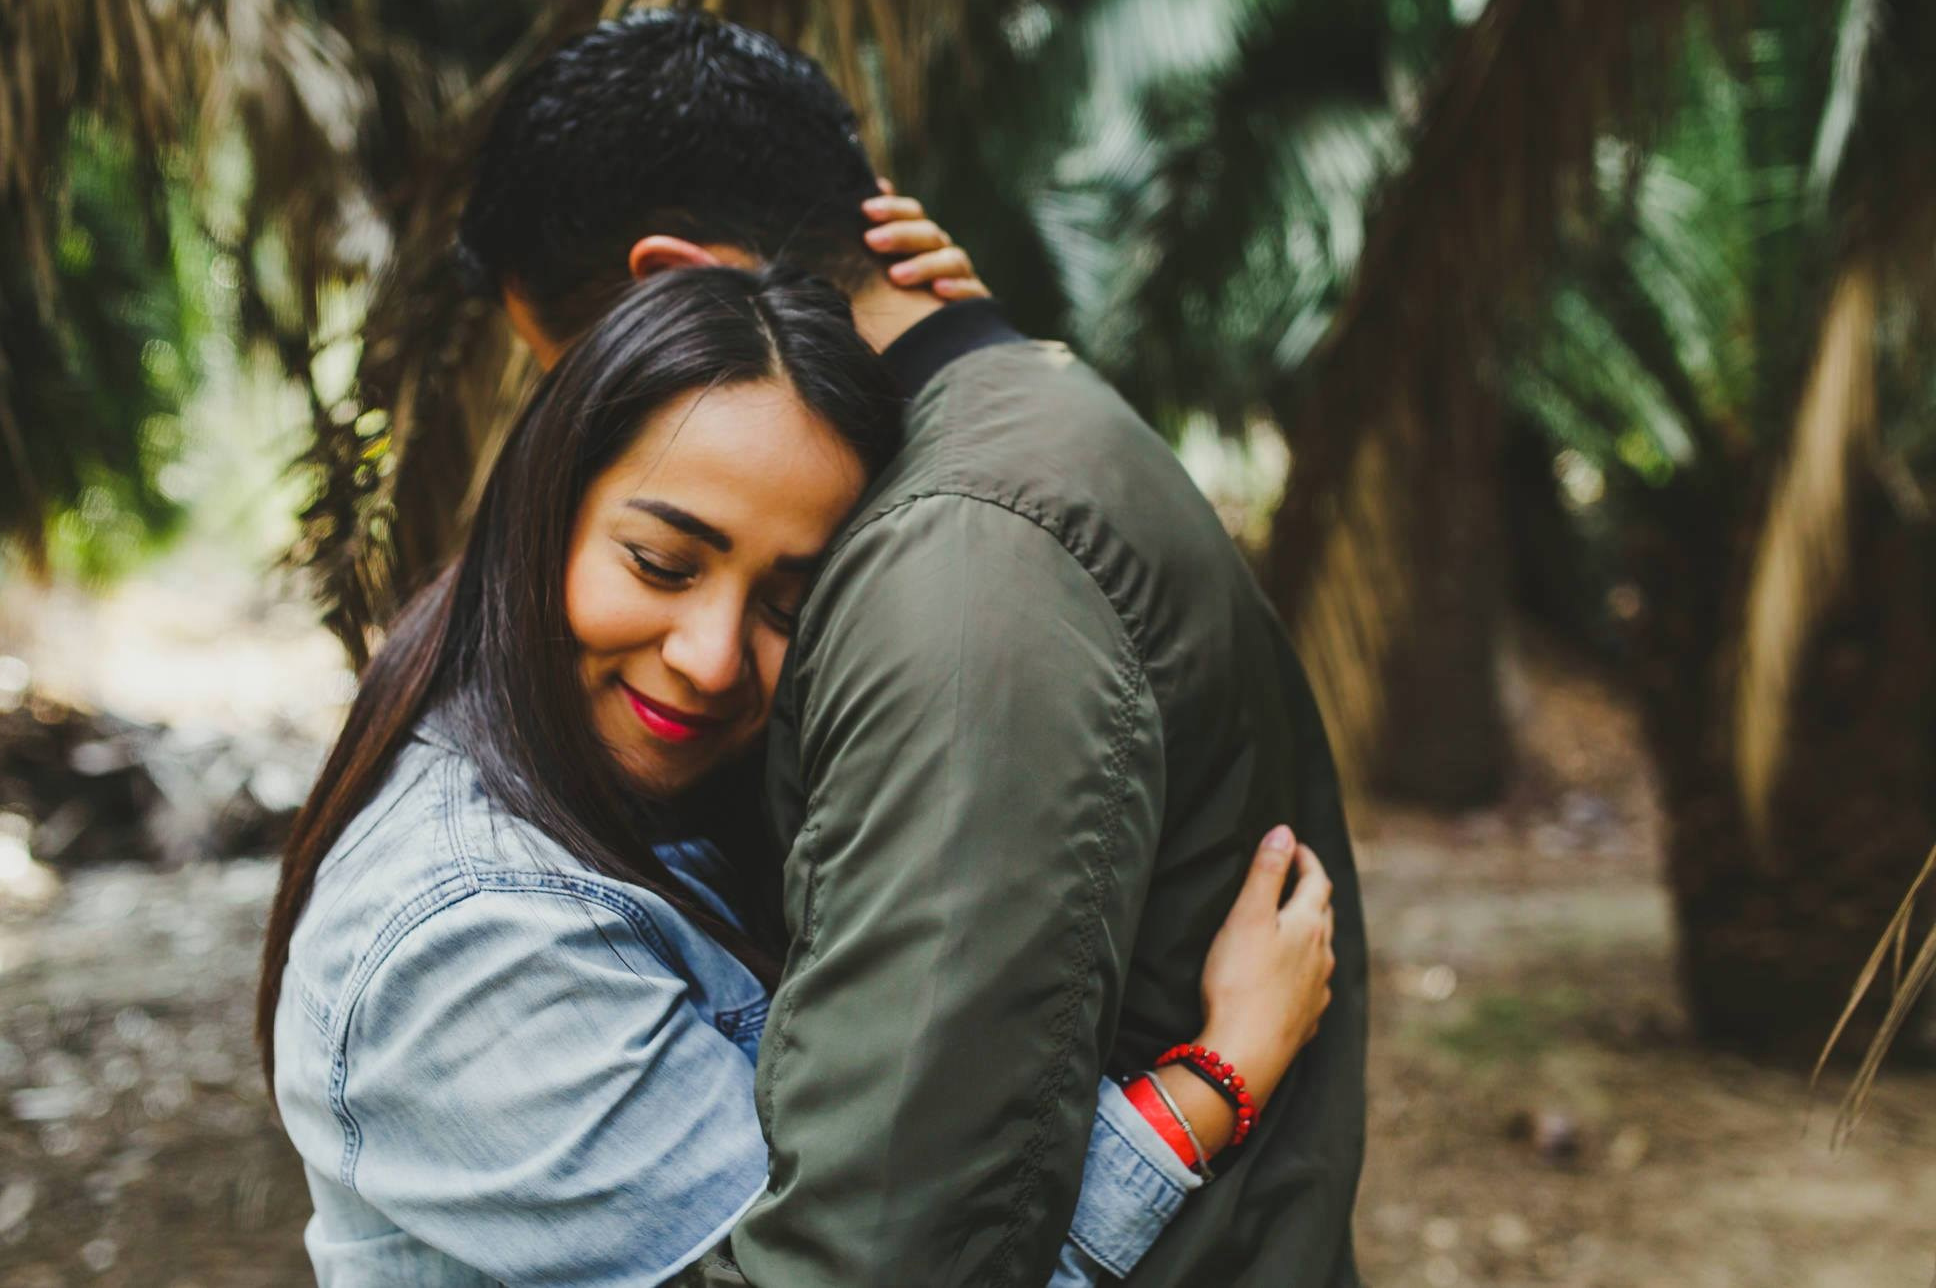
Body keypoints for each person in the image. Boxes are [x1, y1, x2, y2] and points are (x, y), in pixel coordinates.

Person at [455, 12, 1369, 1287]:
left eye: (574, 374)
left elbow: (876, 1256)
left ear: (678, 287)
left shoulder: (958, 557)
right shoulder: (1006, 427)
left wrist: (1204, 1089)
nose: (575, 434)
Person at [257, 266, 1337, 1287]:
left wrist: (955, 334)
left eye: (790, 606)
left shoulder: (643, 801)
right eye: (662, 563)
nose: (711, 655)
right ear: (545, 516)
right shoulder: (470, 940)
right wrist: (1207, 1083)